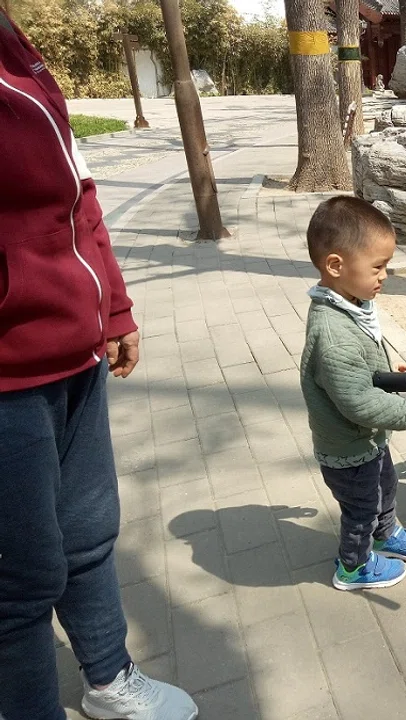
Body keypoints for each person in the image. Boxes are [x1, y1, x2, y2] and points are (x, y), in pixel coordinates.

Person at [0, 10, 198, 720]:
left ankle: (108, 678)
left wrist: (112, 307)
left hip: (71, 356)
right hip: (6, 378)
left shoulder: (18, 49)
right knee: (19, 584)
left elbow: (77, 192)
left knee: (88, 532)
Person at [300, 196, 406, 591]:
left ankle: (386, 535)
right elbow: (358, 403)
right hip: (348, 451)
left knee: (386, 486)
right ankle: (353, 566)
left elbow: (361, 375)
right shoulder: (334, 333)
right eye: (378, 267)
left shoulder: (349, 304)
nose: (385, 275)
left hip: (367, 444)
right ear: (336, 266)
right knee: (361, 508)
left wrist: (388, 375)